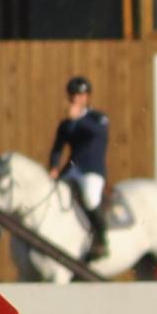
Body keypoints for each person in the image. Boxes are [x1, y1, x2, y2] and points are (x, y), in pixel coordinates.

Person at [47, 76, 110, 262]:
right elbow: (57, 148)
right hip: (73, 169)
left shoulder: (97, 118)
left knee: (90, 198)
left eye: (81, 95)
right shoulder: (66, 123)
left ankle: (101, 239)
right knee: (54, 195)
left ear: (87, 97)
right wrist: (54, 167)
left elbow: (96, 132)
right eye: (74, 95)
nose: (77, 98)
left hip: (92, 170)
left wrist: (77, 120)